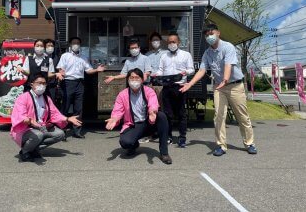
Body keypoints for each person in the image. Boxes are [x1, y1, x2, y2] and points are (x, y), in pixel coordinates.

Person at [180, 23, 257, 156]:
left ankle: (249, 143)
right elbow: (202, 70)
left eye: (211, 33)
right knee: (218, 115)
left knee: (242, 116)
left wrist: (225, 80)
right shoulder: (207, 53)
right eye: (207, 35)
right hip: (219, 88)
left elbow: (228, 66)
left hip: (234, 86)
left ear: (218, 33)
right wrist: (190, 84)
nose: (209, 37)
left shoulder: (228, 47)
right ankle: (221, 145)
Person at [105, 68, 172, 164]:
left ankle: (164, 153)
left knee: (161, 116)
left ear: (142, 79)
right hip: (134, 124)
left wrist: (152, 112)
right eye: (131, 78)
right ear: (128, 80)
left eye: (137, 78)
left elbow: (153, 103)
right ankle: (133, 145)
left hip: (149, 122)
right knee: (125, 142)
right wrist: (115, 118)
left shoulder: (149, 91)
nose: (134, 80)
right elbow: (118, 110)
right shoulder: (122, 95)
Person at [10, 73, 82, 162]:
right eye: (39, 83)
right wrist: (29, 120)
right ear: (32, 84)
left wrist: (67, 119)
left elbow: (54, 113)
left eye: (44, 83)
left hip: (42, 126)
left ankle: (33, 149)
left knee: (60, 134)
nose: (42, 86)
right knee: (38, 135)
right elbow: (20, 115)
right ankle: (25, 152)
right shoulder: (23, 97)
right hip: (26, 128)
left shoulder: (46, 98)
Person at [56, 36, 105, 138]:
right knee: (65, 105)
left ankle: (77, 131)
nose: (76, 45)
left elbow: (88, 70)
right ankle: (62, 130)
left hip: (80, 83)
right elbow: (60, 68)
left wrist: (97, 70)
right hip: (68, 82)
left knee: (78, 108)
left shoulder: (84, 57)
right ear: (70, 44)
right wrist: (61, 73)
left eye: (77, 43)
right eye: (74, 43)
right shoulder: (65, 56)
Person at [153, 33, 194, 148]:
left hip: (180, 86)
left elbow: (191, 69)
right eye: (169, 42)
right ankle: (169, 136)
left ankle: (182, 138)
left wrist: (186, 72)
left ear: (178, 42)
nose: (171, 44)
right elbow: (161, 70)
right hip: (167, 87)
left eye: (173, 42)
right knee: (167, 114)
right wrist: (156, 74)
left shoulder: (186, 55)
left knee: (182, 114)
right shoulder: (164, 56)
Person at [44, 38, 60, 104]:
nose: (50, 47)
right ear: (45, 47)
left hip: (53, 84)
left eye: (52, 46)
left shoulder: (56, 57)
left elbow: (58, 70)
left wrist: (58, 83)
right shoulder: (41, 57)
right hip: (42, 83)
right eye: (48, 46)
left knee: (51, 102)